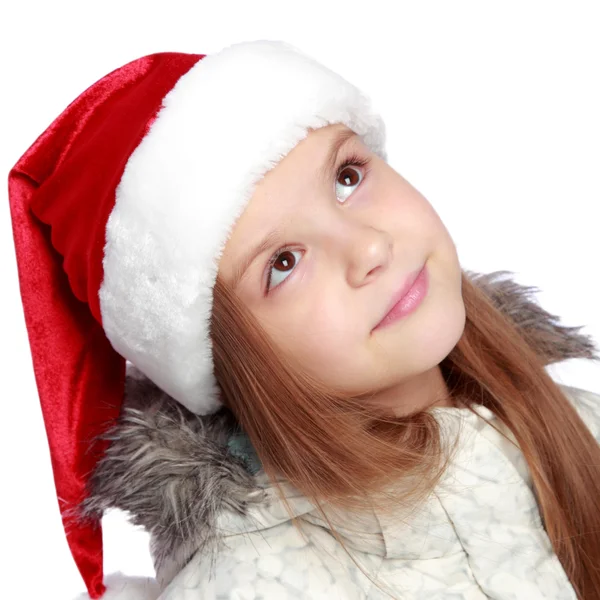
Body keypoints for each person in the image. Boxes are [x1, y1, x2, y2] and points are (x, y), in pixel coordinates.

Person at [7, 39, 600, 600]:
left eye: (347, 177)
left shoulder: (577, 425)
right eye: (283, 263)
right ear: (222, 361)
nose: (368, 249)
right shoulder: (248, 582)